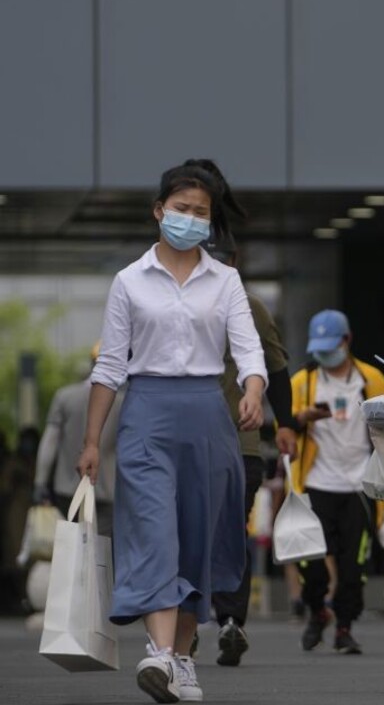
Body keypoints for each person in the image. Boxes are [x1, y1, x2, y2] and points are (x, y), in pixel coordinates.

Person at [80, 163, 266, 704]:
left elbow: (248, 347)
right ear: (159, 211)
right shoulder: (129, 282)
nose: (189, 219)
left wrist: (253, 389)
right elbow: (110, 366)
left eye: (200, 212)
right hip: (147, 417)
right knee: (155, 534)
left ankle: (183, 658)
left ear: (211, 221)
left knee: (196, 543)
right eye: (181, 209)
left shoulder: (225, 280)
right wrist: (92, 442)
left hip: (209, 415)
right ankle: (160, 654)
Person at [193, 158, 301, 668]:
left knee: (212, 530)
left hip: (237, 442)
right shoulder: (178, 301)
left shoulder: (249, 307)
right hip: (215, 440)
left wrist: (286, 426)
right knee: (217, 532)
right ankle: (213, 619)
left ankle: (215, 620)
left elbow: (275, 371)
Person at [290, 309, 384, 655]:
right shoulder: (302, 383)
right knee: (311, 562)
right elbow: (284, 431)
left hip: (360, 486)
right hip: (316, 483)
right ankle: (317, 610)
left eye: (330, 346)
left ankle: (344, 627)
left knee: (353, 566)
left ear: (347, 341)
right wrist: (300, 419)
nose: (324, 354)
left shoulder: (372, 379)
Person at [34, 343, 123, 536]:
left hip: (68, 489)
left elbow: (49, 442)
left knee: (71, 549)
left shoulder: (65, 397)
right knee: (101, 552)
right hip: (108, 490)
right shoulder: (122, 401)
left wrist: (40, 482)